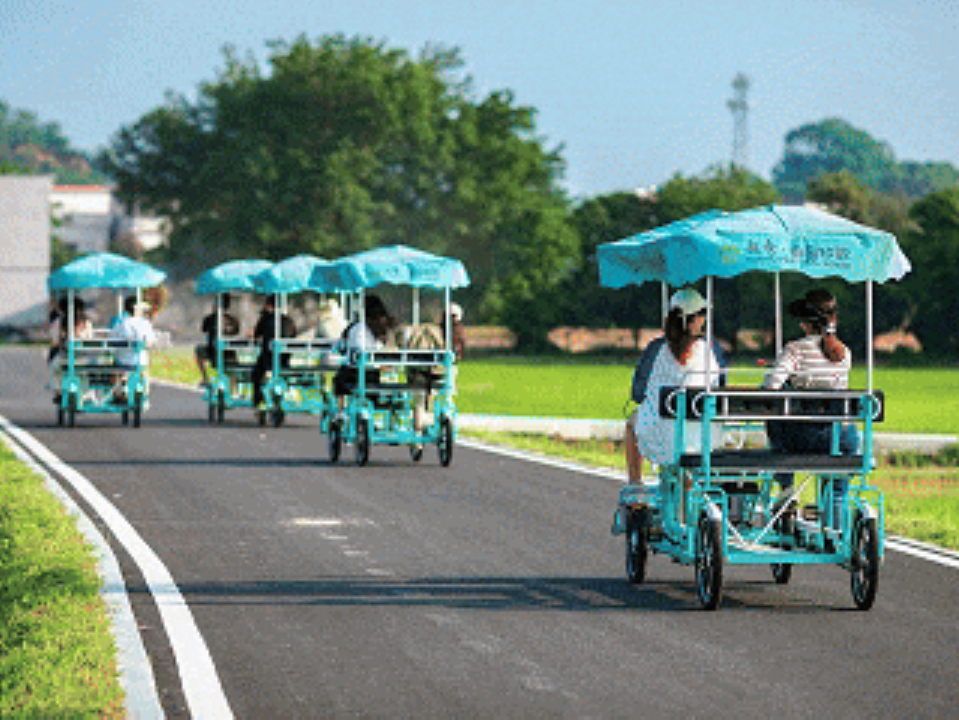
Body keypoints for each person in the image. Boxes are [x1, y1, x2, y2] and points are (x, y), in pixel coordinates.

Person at [763, 289, 858, 528]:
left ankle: (786, 487)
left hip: (800, 437)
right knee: (838, 484)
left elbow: (772, 386)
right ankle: (835, 520)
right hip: (839, 437)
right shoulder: (844, 353)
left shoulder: (795, 349)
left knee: (776, 414)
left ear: (805, 324)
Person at [624, 288, 725, 482]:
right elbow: (720, 388)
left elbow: (638, 394)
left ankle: (635, 482)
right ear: (695, 319)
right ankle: (689, 483)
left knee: (632, 421)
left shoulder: (656, 349)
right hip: (702, 439)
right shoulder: (711, 348)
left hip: (659, 435)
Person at [333, 294, 396, 399]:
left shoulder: (357, 328)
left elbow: (350, 350)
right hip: (369, 375)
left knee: (341, 376)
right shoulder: (374, 329)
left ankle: (341, 406)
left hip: (355, 373)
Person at [251, 296, 298, 409]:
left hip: (267, 360)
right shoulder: (288, 321)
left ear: (269, 306)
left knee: (256, 374)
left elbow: (256, 335)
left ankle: (259, 402)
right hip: (284, 361)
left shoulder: (266, 319)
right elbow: (294, 336)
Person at [110, 296, 158, 401]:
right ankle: (145, 392)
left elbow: (112, 343)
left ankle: (120, 389)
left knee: (116, 363)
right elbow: (150, 341)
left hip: (122, 361)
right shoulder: (144, 324)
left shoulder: (119, 323)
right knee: (144, 365)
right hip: (139, 362)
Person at [195, 295, 241, 386]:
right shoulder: (233, 320)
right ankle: (234, 387)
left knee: (199, 350)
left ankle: (205, 377)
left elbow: (204, 329)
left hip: (214, 352)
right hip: (228, 354)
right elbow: (236, 332)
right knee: (233, 363)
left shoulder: (210, 319)